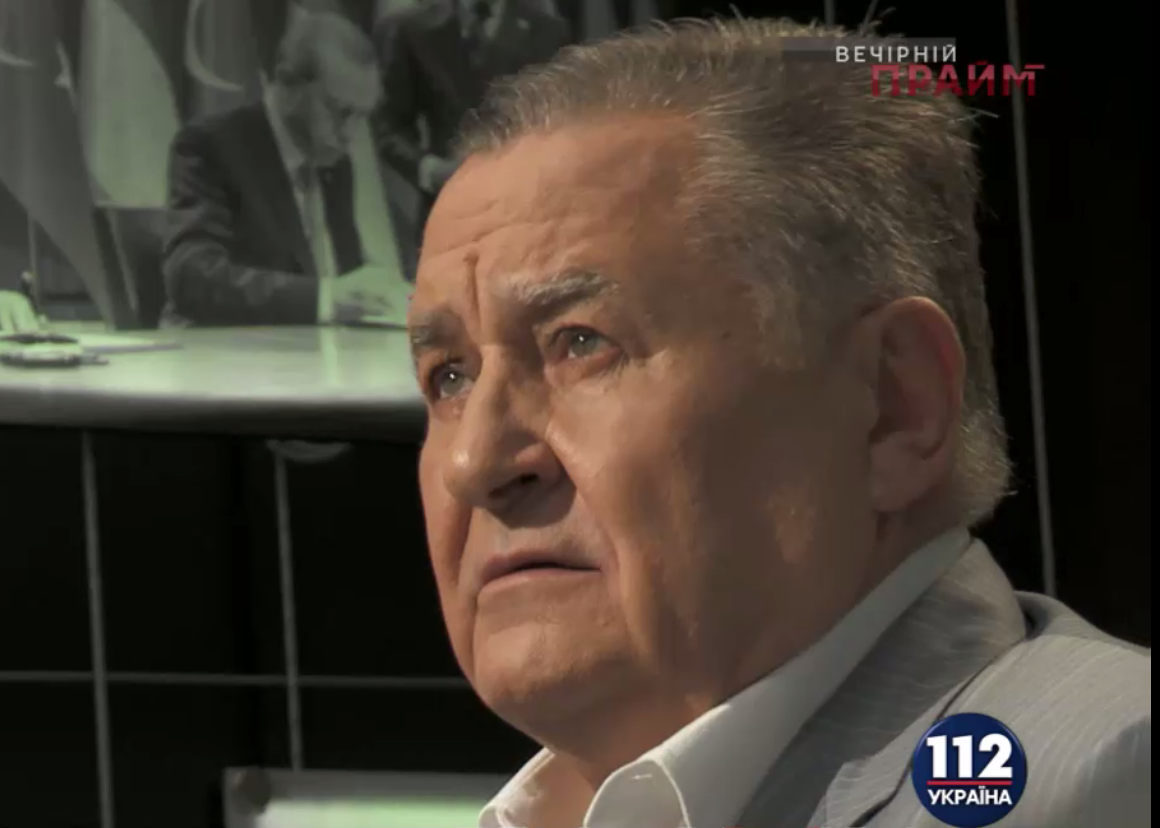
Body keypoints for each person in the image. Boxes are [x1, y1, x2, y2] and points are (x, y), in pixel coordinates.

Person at [406, 18, 1150, 828]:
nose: (474, 461)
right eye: (449, 376)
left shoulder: (1109, 776)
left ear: (892, 406)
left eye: (579, 343)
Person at [161, 11, 401, 327]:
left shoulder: (335, 164)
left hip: (307, 348)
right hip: (217, 348)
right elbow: (192, 277)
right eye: (339, 112)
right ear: (287, 83)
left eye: (361, 117)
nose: (349, 135)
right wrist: (325, 298)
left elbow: (343, 275)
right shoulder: (210, 148)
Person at [371, 0, 571, 242]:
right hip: (452, 219)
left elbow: (569, 123)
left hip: (533, 217)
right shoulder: (412, 29)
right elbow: (388, 126)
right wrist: (431, 169)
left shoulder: (548, 30)